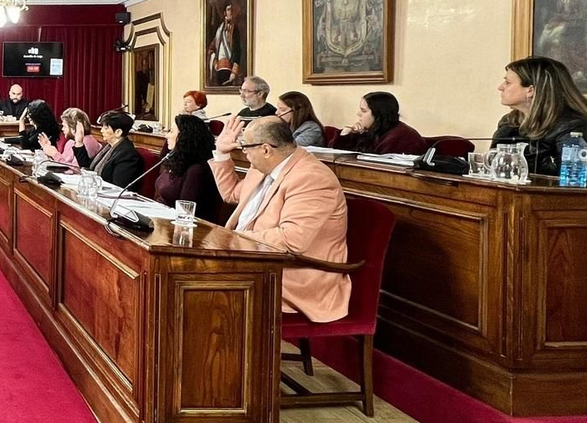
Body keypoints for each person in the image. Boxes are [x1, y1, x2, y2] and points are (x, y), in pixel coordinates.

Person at [211, 116, 351, 322]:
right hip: (252, 260)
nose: (244, 153)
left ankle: (226, 352)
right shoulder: (262, 167)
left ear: (266, 149)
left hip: (295, 273)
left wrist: (234, 239)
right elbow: (231, 194)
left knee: (194, 287)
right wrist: (222, 153)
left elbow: (292, 240)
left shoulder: (311, 178)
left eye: (245, 147)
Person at [493, 56, 587, 178]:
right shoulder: (509, 122)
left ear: (530, 90)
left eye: (507, 82)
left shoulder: (576, 128)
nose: (500, 87)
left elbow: (572, 183)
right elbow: (496, 170)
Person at [152, 113, 224, 222]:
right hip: (164, 221)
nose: (166, 136)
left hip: (189, 230)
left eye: (171, 131)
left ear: (184, 137)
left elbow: (185, 212)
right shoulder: (177, 161)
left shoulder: (196, 170)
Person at [332, 91, 428, 155]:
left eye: (363, 111)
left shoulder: (402, 137)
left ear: (378, 114)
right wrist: (345, 134)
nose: (358, 114)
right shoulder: (375, 130)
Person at [79, 109, 143, 190]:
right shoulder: (108, 148)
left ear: (118, 132)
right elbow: (88, 167)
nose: (101, 131)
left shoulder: (128, 155)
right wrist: (79, 142)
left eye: (105, 128)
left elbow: (119, 187)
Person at [207, 2, 244, 86]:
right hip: (219, 67)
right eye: (228, 10)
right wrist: (215, 62)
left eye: (231, 10)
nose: (230, 12)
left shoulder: (235, 29)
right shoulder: (219, 30)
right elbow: (212, 48)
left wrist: (234, 72)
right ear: (224, 13)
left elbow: (237, 50)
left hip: (229, 66)